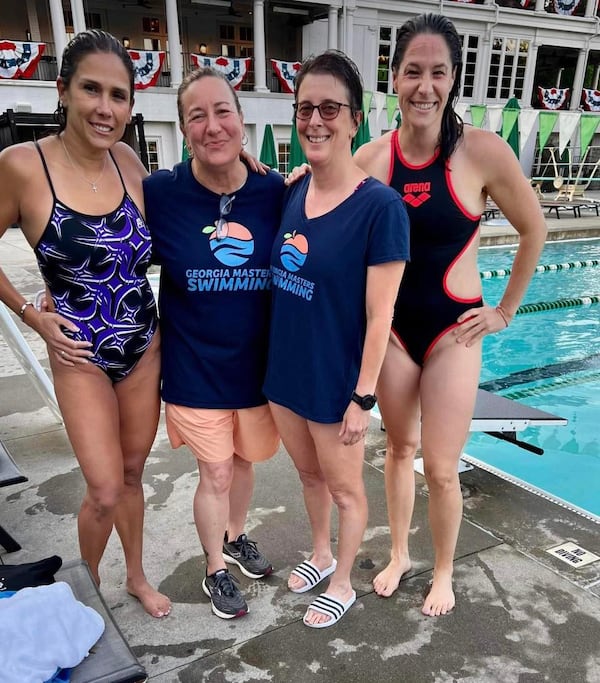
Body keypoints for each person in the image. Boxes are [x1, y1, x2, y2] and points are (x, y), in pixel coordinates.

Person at [353, 13, 547, 616]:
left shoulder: (481, 152)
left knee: (439, 464)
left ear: (454, 79)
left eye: (438, 72)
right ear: (395, 77)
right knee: (397, 448)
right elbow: (324, 208)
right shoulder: (370, 159)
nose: (425, 86)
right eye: (413, 71)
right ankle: (399, 554)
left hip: (453, 330)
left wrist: (505, 312)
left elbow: (534, 227)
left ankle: (442, 571)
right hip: (394, 334)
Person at [0, 30, 171, 618]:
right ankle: (90, 587)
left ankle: (137, 577)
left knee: (131, 474)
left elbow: (186, 211)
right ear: (63, 91)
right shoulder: (24, 166)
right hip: (79, 354)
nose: (106, 107)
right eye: (92, 90)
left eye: (119, 95)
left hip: (144, 347)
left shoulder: (128, 161)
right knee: (102, 489)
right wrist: (31, 317)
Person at [264, 50, 410, 628]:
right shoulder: (294, 192)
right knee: (307, 476)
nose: (315, 120)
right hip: (285, 374)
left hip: (336, 383)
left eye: (330, 108)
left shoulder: (381, 209)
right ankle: (321, 553)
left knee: (347, 490)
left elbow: (381, 317)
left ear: (354, 119)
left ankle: (344, 581)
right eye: (305, 108)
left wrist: (363, 397)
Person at [143, 68, 284, 620]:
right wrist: (51, 296)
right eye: (196, 116)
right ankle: (214, 570)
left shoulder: (274, 191)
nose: (212, 125)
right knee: (217, 471)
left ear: (241, 119)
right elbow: (102, 225)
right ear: (183, 129)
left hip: (254, 368)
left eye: (221, 111)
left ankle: (235, 536)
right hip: (193, 365)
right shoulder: (161, 193)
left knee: (245, 463)